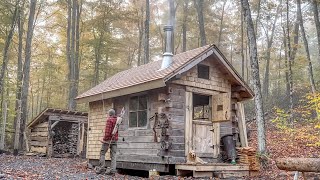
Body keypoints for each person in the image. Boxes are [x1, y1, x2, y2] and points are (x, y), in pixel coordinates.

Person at [96, 108, 119, 175]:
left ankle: (102, 169)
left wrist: (104, 140)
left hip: (108, 140)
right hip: (115, 140)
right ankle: (112, 171)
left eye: (108, 113)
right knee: (113, 155)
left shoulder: (109, 120)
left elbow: (107, 133)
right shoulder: (117, 120)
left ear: (109, 114)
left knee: (102, 153)